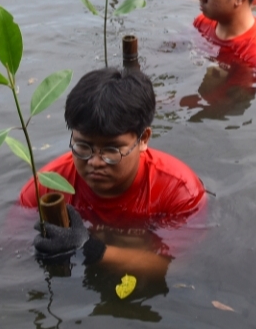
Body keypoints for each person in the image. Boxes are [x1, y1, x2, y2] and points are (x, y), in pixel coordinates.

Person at [20, 68, 206, 277]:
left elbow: (175, 265)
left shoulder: (179, 190)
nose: (95, 162)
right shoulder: (46, 186)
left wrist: (89, 248)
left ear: (143, 139)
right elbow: (13, 249)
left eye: (111, 150)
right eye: (82, 146)